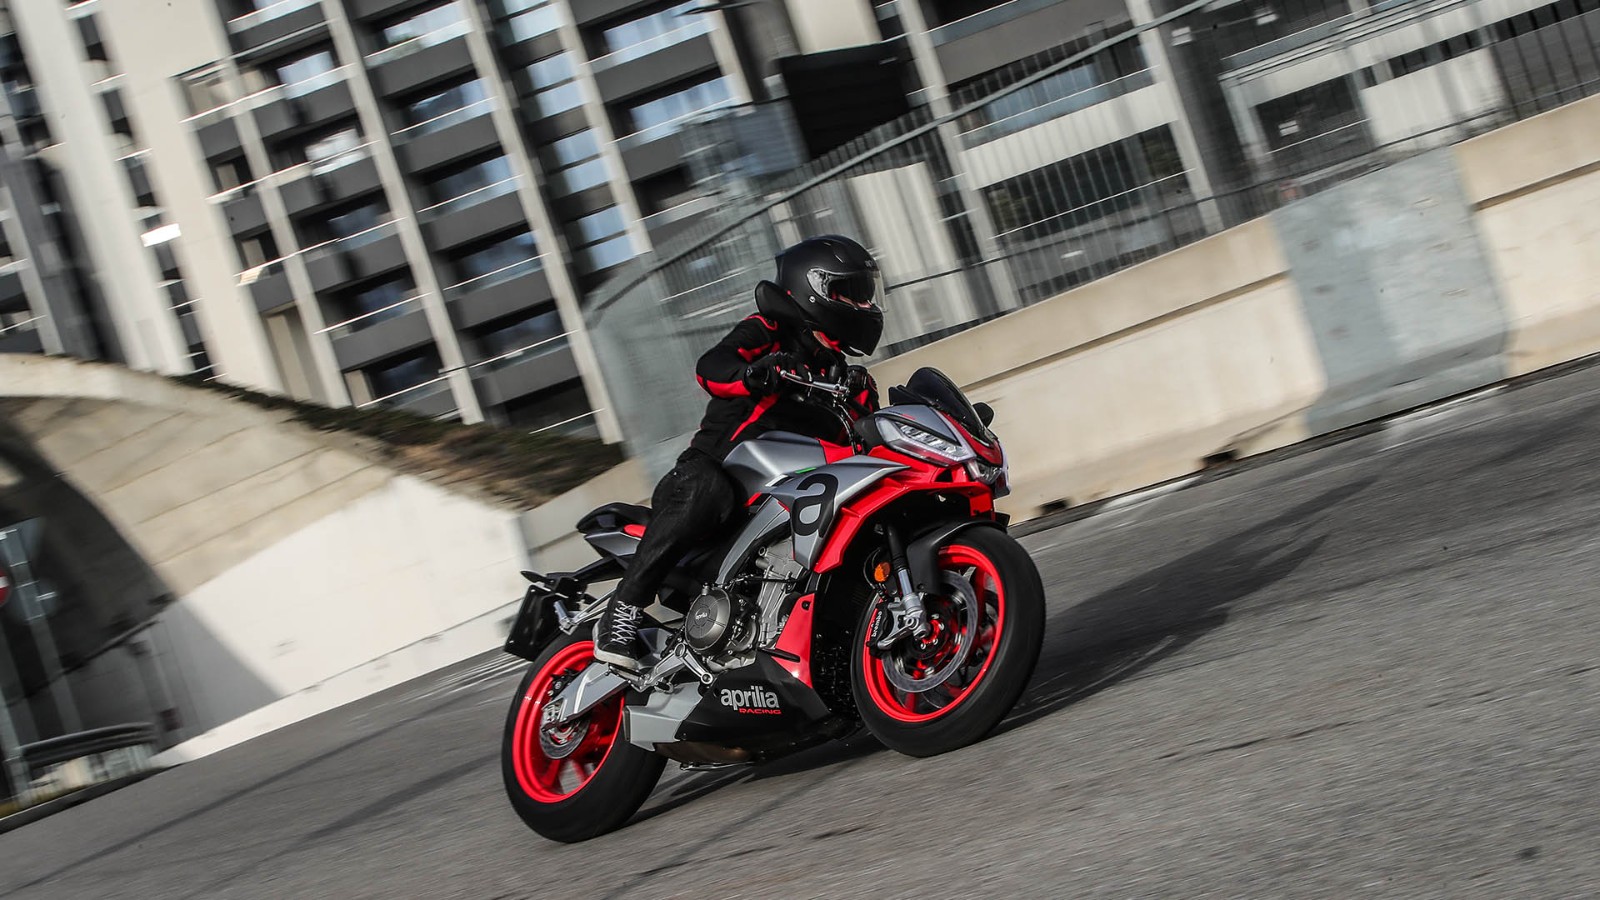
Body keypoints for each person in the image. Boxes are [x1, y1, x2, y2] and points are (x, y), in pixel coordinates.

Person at [594, 235, 887, 671]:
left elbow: (869, 441)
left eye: (866, 294)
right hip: (713, 475)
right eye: (851, 293)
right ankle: (622, 609)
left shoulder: (845, 378)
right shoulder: (770, 331)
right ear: (814, 290)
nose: (864, 305)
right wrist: (755, 374)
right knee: (708, 487)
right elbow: (712, 367)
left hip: (787, 493)